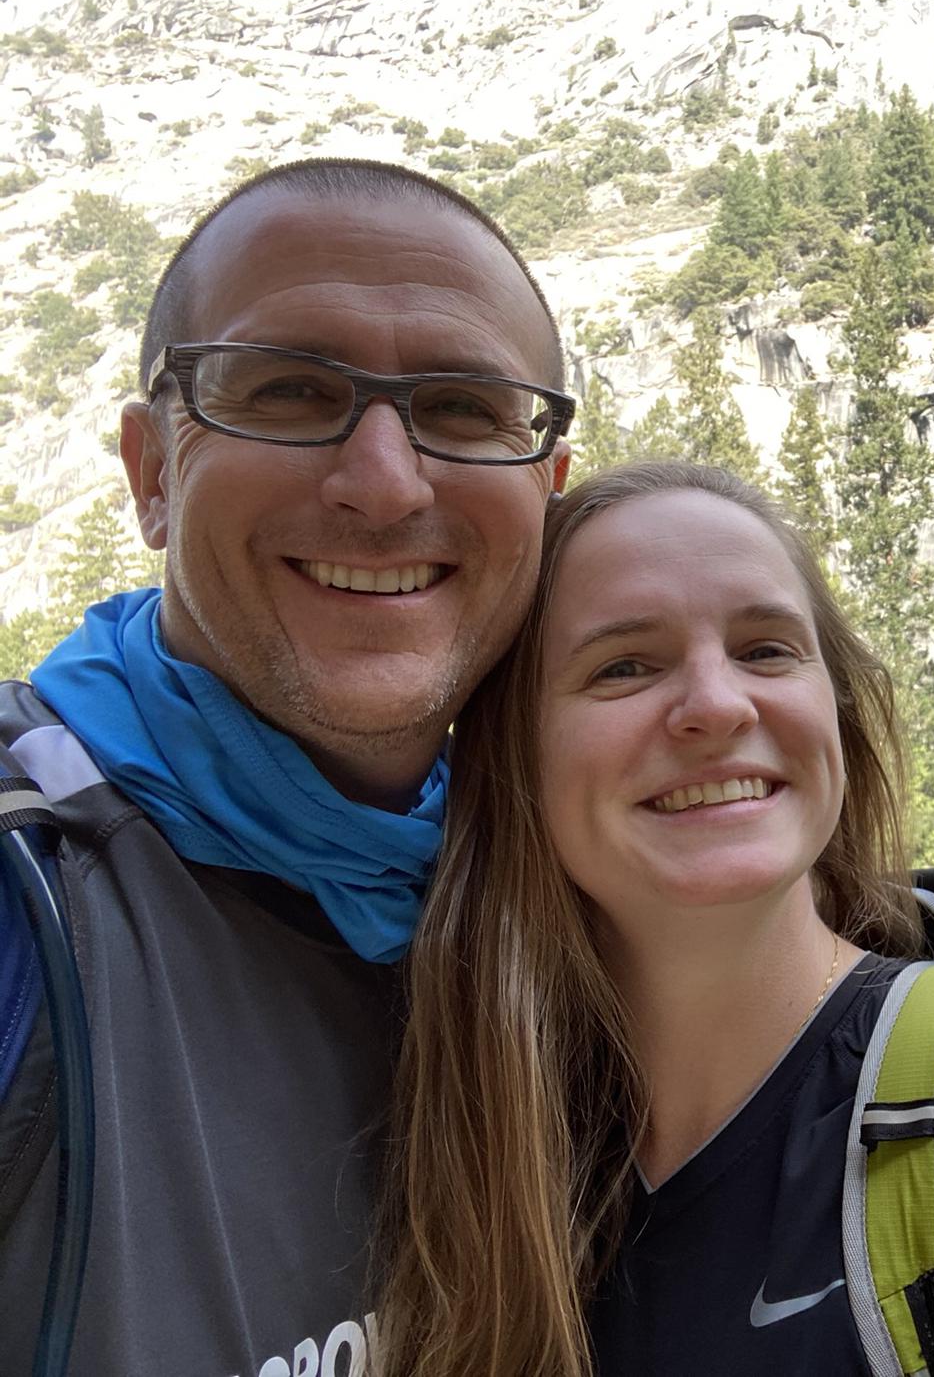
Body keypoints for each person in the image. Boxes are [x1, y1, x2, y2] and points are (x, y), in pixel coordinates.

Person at [375, 459, 934, 1377]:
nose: (716, 704)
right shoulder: (473, 1140)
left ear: (838, 712)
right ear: (512, 757)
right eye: (623, 665)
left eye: (767, 649)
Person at [0, 159, 573, 1375]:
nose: (381, 482)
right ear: (154, 472)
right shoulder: (26, 891)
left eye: (467, 408)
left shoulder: (577, 904)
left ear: (547, 489)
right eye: (290, 390)